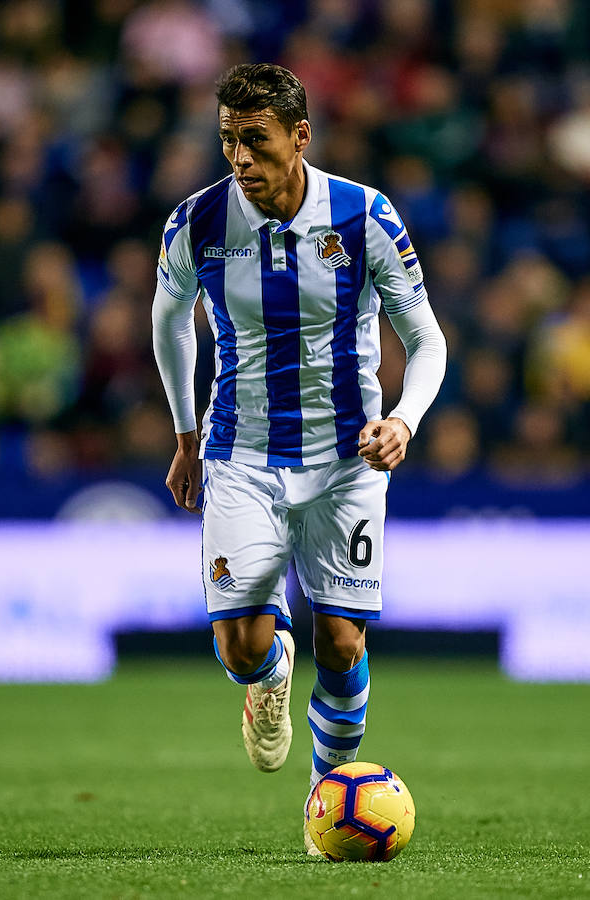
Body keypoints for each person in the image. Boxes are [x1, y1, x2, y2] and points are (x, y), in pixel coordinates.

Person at [152, 63, 446, 855]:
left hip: (347, 457)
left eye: (255, 140)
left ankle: (327, 796)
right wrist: (185, 434)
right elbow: (169, 321)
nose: (239, 158)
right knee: (242, 646)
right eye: (227, 141)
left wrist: (406, 421)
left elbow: (426, 339)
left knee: (345, 644)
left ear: (298, 138)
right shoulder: (198, 223)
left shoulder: (362, 216)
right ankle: (272, 673)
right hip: (241, 452)